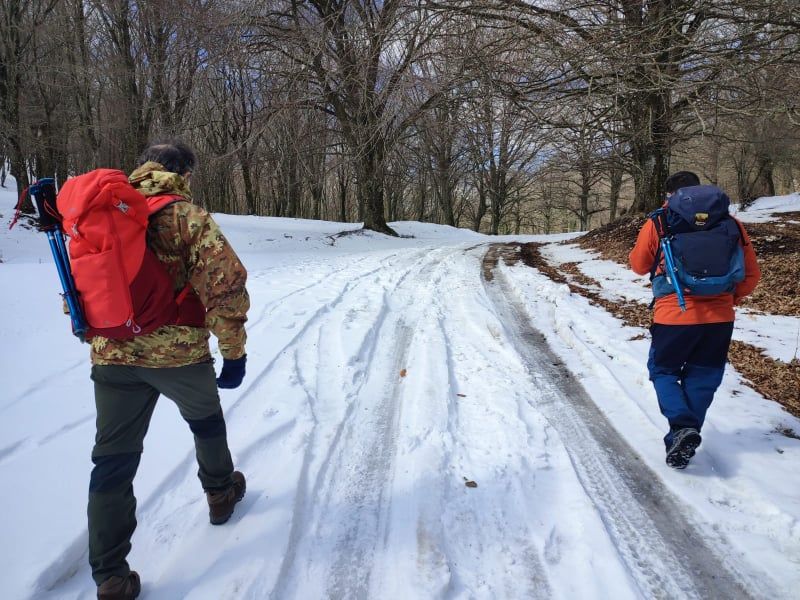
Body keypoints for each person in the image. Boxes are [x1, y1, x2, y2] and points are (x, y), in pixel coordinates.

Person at [87, 140, 250, 600]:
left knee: (112, 461)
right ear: (184, 173)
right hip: (178, 353)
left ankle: (110, 577)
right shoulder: (185, 215)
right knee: (206, 422)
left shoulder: (104, 211)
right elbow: (226, 286)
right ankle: (220, 494)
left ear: (142, 166)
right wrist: (233, 352)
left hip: (112, 354)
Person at [629, 171, 760, 469]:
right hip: (720, 318)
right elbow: (751, 274)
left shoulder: (660, 221)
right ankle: (685, 433)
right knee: (704, 376)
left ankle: (681, 426)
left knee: (663, 371)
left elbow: (638, 265)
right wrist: (729, 299)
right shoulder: (730, 223)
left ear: (669, 195)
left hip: (674, 314)